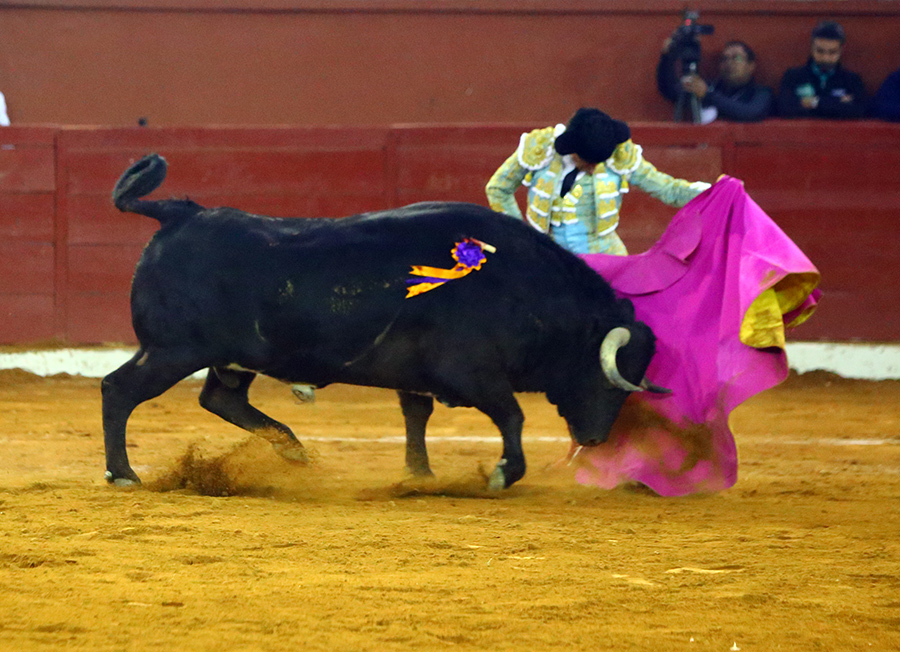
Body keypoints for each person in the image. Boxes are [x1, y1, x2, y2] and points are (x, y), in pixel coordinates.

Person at [485, 107, 710, 255]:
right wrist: (521, 236)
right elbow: (498, 188)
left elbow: (669, 189)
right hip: (549, 259)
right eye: (588, 162)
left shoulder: (619, 155)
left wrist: (713, 193)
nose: (593, 169)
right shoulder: (540, 149)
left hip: (605, 258)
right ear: (571, 150)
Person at [657, 39, 773, 123]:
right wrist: (667, 58)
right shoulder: (710, 86)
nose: (729, 63)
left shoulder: (762, 93)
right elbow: (670, 91)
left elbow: (750, 113)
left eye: (736, 58)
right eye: (724, 58)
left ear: (751, 66)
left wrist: (708, 95)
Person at [777, 20, 866, 119]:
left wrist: (812, 102)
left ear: (841, 50)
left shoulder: (852, 80)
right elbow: (784, 108)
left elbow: (858, 111)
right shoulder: (793, 76)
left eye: (832, 52)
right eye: (820, 51)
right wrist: (837, 102)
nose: (826, 58)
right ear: (811, 48)